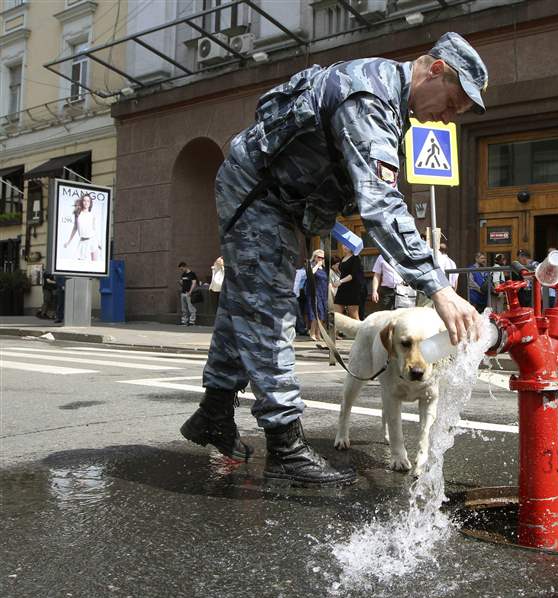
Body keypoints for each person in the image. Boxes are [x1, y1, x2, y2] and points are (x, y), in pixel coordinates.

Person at [181, 31, 487, 487]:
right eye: (452, 104)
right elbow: (381, 205)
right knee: (270, 309)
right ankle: (284, 443)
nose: (447, 120)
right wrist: (437, 287)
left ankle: (214, 412)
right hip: (257, 194)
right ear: (435, 70)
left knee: (245, 303)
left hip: (275, 198)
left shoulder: (391, 104)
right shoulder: (370, 97)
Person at [63, 193, 101, 262]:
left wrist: (98, 243)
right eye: (84, 200)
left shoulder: (92, 215)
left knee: (95, 264)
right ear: (82, 202)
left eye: (88, 201)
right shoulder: (78, 214)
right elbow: (75, 228)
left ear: (90, 203)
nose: (86, 203)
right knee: (81, 264)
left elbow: (94, 229)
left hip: (92, 241)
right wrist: (68, 242)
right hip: (83, 241)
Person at [304, 249, 329, 346]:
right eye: (319, 257)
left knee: (322, 314)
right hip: (314, 292)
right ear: (314, 257)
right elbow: (310, 274)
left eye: (323, 258)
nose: (321, 259)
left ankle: (318, 333)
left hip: (323, 293)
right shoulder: (311, 265)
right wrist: (317, 265)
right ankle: (312, 332)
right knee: (315, 313)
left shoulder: (324, 268)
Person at [333, 246, 363, 320]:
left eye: (347, 245)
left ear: (352, 247)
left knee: (353, 316)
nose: (345, 247)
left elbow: (352, 275)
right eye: (343, 245)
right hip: (342, 288)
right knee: (337, 316)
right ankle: (337, 331)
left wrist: (340, 281)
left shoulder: (355, 258)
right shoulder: (343, 258)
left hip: (352, 289)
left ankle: (360, 331)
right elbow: (343, 272)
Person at [177, 262, 199, 326]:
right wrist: (180, 282)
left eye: (182, 269)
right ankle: (184, 321)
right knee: (184, 308)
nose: (182, 270)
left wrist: (190, 291)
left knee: (191, 308)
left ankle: (192, 321)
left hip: (188, 293)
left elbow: (194, 283)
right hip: (183, 292)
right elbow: (182, 282)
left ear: (185, 266)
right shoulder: (183, 274)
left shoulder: (192, 274)